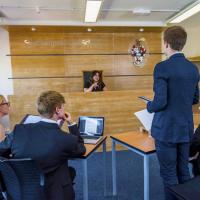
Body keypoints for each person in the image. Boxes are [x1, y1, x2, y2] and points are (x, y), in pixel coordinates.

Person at [0, 90, 86, 200]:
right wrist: (71, 123)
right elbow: (81, 149)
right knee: (65, 168)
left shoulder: (19, 130)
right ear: (57, 109)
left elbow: (1, 150)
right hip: (54, 194)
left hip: (20, 191)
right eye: (62, 107)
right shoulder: (66, 139)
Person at [146, 26, 199, 200]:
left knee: (169, 173)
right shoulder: (193, 69)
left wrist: (149, 106)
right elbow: (195, 99)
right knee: (183, 170)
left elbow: (160, 102)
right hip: (185, 129)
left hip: (166, 130)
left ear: (166, 43)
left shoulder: (161, 67)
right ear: (182, 44)